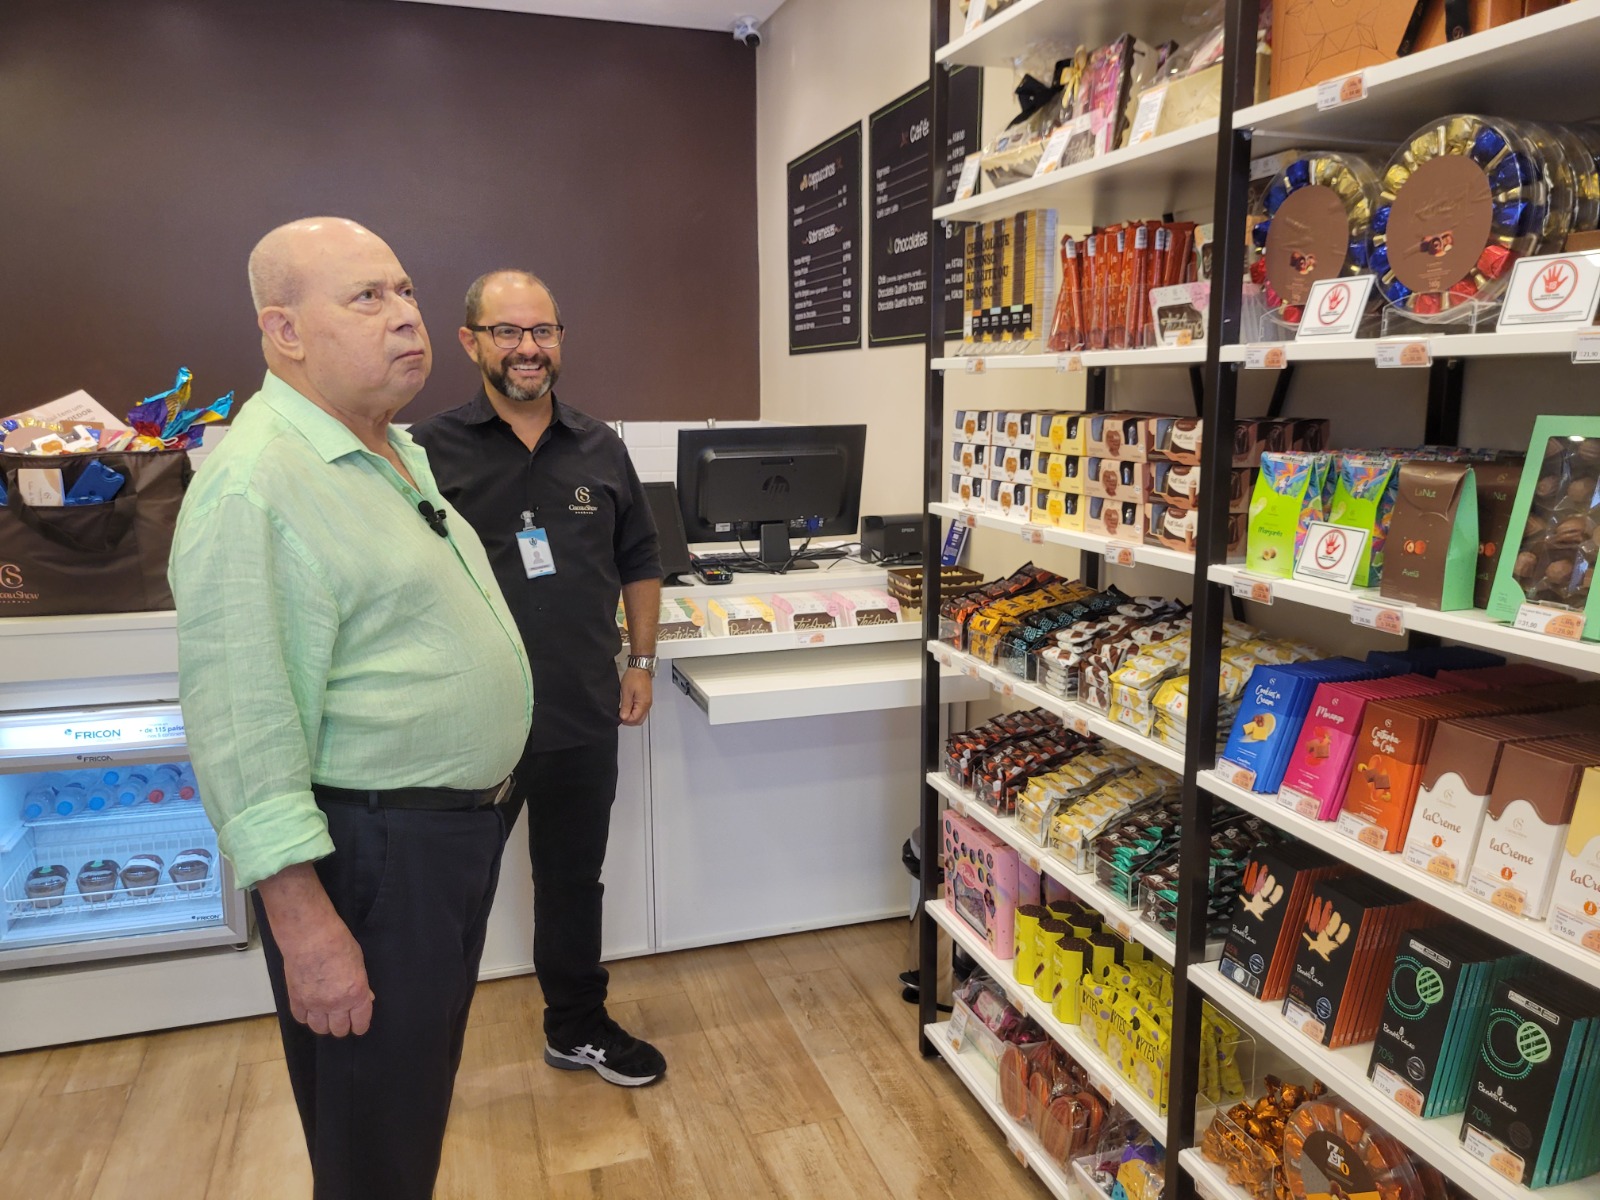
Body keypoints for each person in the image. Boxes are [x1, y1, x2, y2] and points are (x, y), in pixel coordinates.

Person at [168, 218, 533, 1200]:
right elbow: (243, 729)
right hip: (369, 860)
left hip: (441, 841)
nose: (406, 315)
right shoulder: (256, 486)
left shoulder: (387, 448)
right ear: (284, 331)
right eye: (367, 297)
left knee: (408, 1106)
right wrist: (306, 929)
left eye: (405, 290)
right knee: (375, 1135)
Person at [410, 269, 665, 1087]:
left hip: (580, 710)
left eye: (543, 331)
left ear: (560, 339)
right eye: (508, 332)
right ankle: (416, 1045)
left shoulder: (601, 446)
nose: (528, 348)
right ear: (471, 342)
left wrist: (641, 661)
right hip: (471, 717)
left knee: (571, 883)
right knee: (449, 890)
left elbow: (640, 560)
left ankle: (576, 1026)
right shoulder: (422, 452)